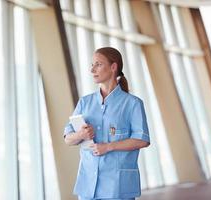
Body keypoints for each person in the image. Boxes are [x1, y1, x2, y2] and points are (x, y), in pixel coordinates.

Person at [64, 47, 150, 200]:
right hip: (88, 187)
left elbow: (142, 140)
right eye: (92, 65)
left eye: (98, 64)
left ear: (113, 67)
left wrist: (109, 147)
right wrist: (80, 135)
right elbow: (67, 138)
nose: (92, 69)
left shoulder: (132, 103)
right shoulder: (85, 103)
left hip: (117, 187)